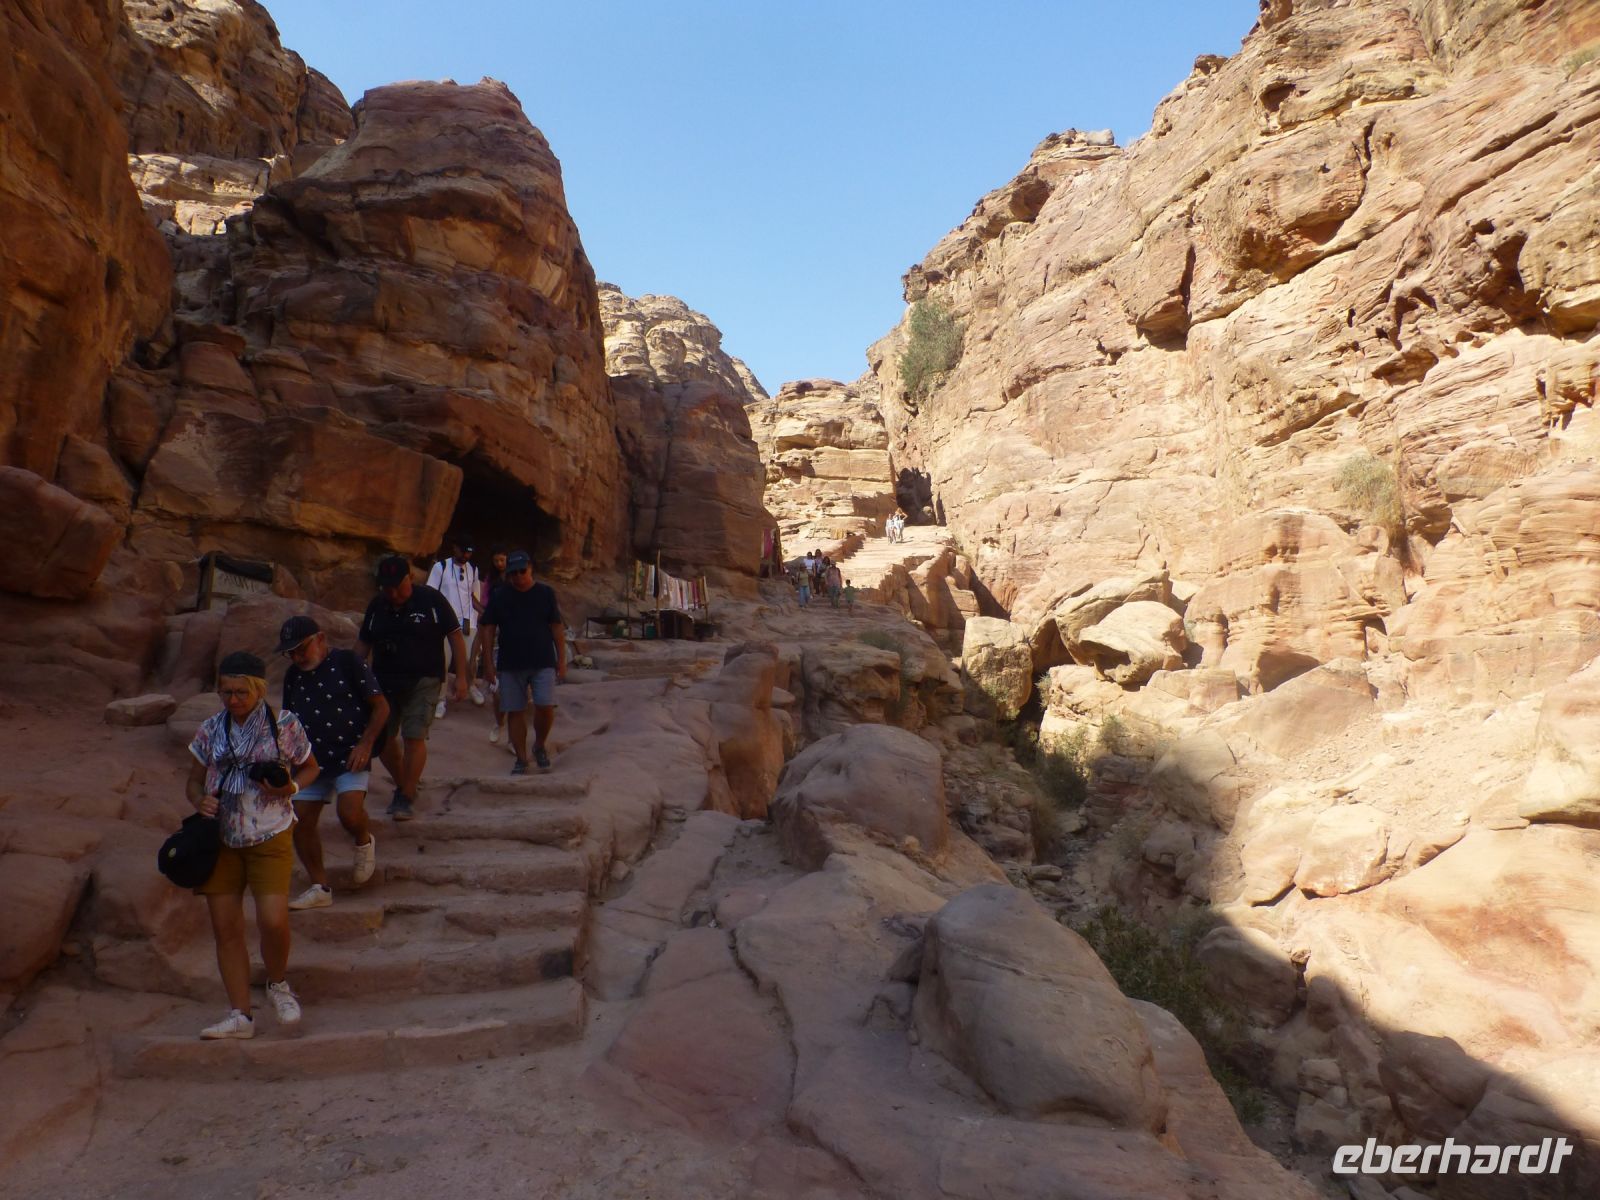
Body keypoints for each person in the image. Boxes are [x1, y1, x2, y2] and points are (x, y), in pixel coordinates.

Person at [185, 651, 318, 1039]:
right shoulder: (211, 729)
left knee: (273, 919)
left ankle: (277, 983)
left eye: (241, 692)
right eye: (225, 692)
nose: (233, 700)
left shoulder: (283, 725)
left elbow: (311, 767)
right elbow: (193, 780)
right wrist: (199, 799)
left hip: (271, 831)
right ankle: (240, 1014)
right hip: (221, 836)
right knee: (225, 927)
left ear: (258, 689)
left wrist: (291, 787)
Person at [276, 616, 389, 911]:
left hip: (350, 752)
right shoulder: (293, 675)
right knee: (299, 820)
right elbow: (289, 720)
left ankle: (364, 840)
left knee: (349, 812)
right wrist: (286, 759)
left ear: (321, 639)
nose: (298, 657)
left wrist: (366, 744)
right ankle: (319, 886)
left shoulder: (348, 662)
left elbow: (381, 706)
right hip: (310, 759)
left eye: (302, 648)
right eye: (292, 652)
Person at [357, 555, 469, 820]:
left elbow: (455, 635)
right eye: (387, 587)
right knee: (382, 738)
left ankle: (405, 796)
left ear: (410, 578)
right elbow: (363, 643)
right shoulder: (377, 606)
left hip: (425, 679)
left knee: (414, 735)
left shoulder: (431, 600)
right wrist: (352, 674)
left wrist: (462, 676)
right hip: (384, 680)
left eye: (398, 585)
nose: (393, 593)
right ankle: (404, 783)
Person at [473, 550, 567, 774]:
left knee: (545, 705)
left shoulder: (545, 593)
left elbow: (556, 626)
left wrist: (561, 659)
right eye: (512, 573)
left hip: (542, 659)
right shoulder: (500, 595)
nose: (517, 577)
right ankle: (521, 758)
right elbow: (488, 628)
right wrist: (487, 663)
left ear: (530, 568)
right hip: (510, 662)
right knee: (514, 710)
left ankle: (539, 744)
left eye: (521, 571)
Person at [425, 542, 480, 719]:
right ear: (455, 548)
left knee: (471, 658)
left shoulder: (472, 569)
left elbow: (475, 596)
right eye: (463, 551)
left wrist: (477, 619)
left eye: (469, 553)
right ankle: (441, 699)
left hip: (467, 622)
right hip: (445, 622)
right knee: (444, 661)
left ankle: (472, 686)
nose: (465, 556)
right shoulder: (440, 567)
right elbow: (430, 594)